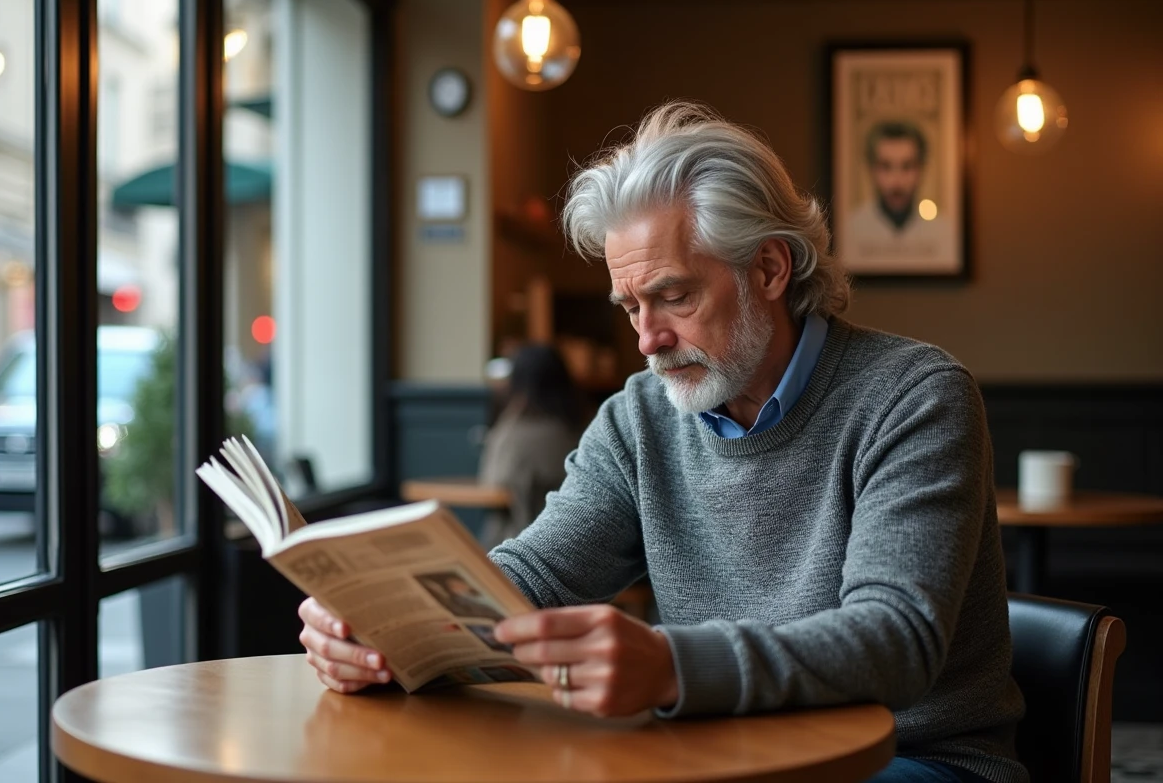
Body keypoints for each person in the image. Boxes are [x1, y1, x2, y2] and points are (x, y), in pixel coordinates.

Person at [298, 102, 1026, 783]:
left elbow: (897, 640)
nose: (648, 339)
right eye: (631, 307)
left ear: (768, 269)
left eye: (674, 296)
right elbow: (535, 574)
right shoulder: (641, 416)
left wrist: (671, 666)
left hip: (914, 758)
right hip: (718, 754)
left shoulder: (914, 394)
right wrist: (395, 629)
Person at [477, 344, 585, 548]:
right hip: (577, 543)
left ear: (517, 383)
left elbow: (491, 483)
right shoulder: (584, 429)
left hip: (517, 546)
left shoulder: (514, 434)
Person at [842, 120, 954, 263]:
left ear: (921, 169)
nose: (896, 182)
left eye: (907, 166)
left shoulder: (943, 231)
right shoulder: (851, 228)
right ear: (871, 169)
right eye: (885, 167)